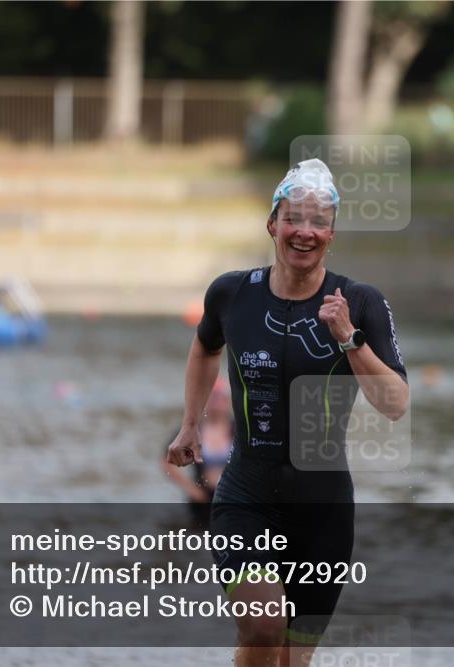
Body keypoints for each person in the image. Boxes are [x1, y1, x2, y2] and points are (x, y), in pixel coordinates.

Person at [167, 158, 409, 667]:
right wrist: (190, 422)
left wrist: (348, 338)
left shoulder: (360, 302)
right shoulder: (232, 293)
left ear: (332, 233)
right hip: (246, 492)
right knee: (262, 624)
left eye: (318, 221)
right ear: (272, 224)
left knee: (294, 660)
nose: (305, 231)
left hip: (323, 505)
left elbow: (395, 404)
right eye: (294, 218)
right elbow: (204, 348)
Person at [160, 378, 233, 528]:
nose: (217, 403)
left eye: (221, 397)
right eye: (213, 397)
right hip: (203, 500)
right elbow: (167, 460)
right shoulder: (194, 430)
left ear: (228, 400)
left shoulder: (238, 430)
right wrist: (193, 489)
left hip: (232, 500)